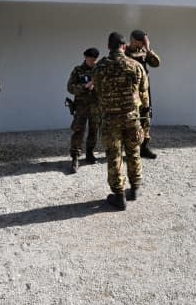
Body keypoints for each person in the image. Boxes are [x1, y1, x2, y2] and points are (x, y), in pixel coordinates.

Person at [92, 32, 149, 210]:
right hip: (132, 118)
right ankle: (136, 188)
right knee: (133, 151)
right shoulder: (135, 65)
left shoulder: (99, 67)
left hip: (110, 119)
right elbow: (144, 92)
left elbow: (97, 92)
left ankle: (119, 195)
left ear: (108, 46)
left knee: (114, 155)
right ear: (124, 47)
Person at [124, 29, 160, 159]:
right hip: (130, 92)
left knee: (146, 118)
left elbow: (156, 63)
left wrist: (148, 49)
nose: (143, 44)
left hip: (144, 91)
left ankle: (144, 148)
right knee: (132, 119)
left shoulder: (144, 52)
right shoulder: (124, 51)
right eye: (141, 42)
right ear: (133, 40)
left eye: (145, 42)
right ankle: (131, 149)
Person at [66, 47, 101, 173]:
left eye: (94, 60)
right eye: (90, 59)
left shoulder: (99, 71)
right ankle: (75, 157)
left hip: (96, 106)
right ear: (85, 57)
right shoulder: (78, 70)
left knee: (94, 130)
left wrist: (98, 87)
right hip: (81, 107)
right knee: (78, 130)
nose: (93, 62)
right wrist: (85, 87)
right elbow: (70, 87)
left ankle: (90, 153)